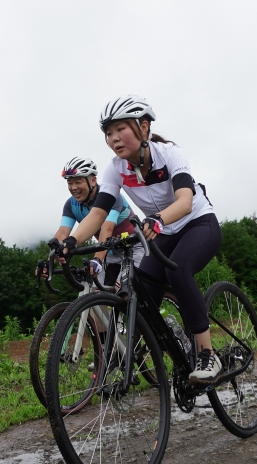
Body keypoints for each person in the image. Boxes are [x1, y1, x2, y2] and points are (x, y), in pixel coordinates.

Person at [61, 95, 224, 384]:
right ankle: (176, 354)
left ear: (144, 127)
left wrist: (159, 219)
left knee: (180, 269)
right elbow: (98, 214)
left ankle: (208, 353)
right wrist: (71, 243)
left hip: (197, 223)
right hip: (162, 232)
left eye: (120, 130)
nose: (114, 139)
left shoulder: (170, 154)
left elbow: (185, 201)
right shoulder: (116, 169)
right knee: (142, 293)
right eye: (108, 134)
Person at [53, 156, 138, 288]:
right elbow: (63, 232)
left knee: (123, 289)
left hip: (134, 248)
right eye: (70, 183)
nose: (73, 187)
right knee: (95, 295)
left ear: (93, 181)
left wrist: (97, 259)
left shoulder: (111, 196)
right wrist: (51, 259)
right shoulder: (71, 204)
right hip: (109, 251)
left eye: (78, 182)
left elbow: (107, 229)